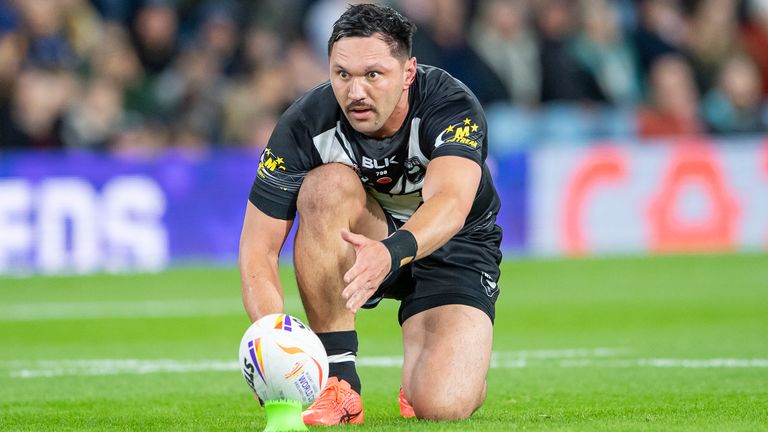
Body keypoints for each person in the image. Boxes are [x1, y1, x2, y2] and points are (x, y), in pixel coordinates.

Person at [239, 3, 502, 425]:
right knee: (324, 187)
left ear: (408, 73)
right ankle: (339, 382)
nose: (355, 92)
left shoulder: (451, 106)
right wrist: (272, 344)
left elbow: (450, 204)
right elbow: (257, 248)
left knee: (442, 406)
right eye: (342, 74)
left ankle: (433, 374)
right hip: (364, 236)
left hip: (453, 245)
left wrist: (390, 252)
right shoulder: (304, 124)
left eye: (373, 75)